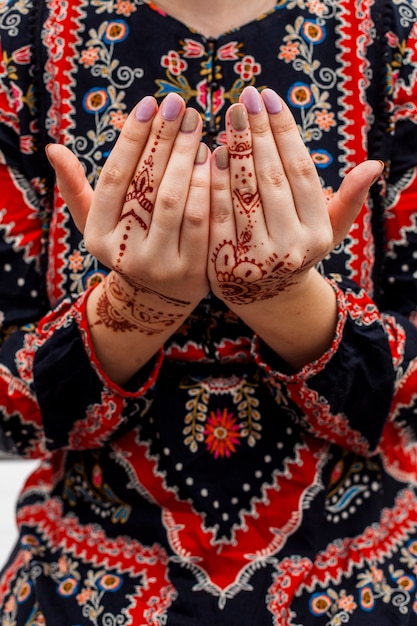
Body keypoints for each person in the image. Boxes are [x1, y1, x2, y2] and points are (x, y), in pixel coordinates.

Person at [1, 0, 417, 623]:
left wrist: (287, 301)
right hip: (78, 593)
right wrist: (136, 307)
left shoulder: (396, 34)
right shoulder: (24, 36)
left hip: (363, 590)